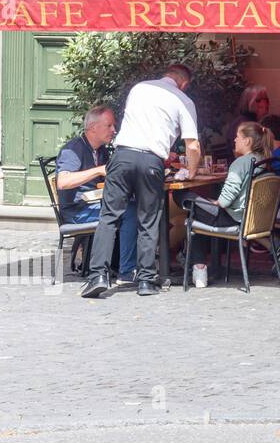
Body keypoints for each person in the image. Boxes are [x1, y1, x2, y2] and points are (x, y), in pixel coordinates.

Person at [81, 64, 201, 298]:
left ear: (165, 75)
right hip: (151, 161)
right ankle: (146, 280)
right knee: (148, 220)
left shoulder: (139, 88)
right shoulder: (183, 100)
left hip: (123, 156)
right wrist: (192, 171)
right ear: (184, 83)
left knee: (109, 217)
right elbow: (193, 145)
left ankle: (98, 276)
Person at [56, 106, 137, 282]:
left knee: (135, 205)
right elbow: (63, 182)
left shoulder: (101, 150)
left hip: (95, 205)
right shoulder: (74, 149)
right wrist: (98, 170)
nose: (114, 130)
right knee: (129, 212)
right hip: (78, 211)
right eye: (109, 126)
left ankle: (125, 266)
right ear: (93, 128)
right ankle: (127, 271)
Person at [186, 121, 278, 272]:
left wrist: (215, 202)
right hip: (252, 217)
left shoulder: (240, 163)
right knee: (197, 207)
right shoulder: (264, 160)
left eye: (237, 136)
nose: (234, 140)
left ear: (247, 141)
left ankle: (198, 266)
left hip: (233, 218)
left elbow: (224, 202)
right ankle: (197, 265)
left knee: (185, 198)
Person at [224, 84, 269, 149]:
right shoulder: (244, 124)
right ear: (249, 102)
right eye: (258, 100)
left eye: (266, 99)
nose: (264, 103)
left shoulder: (260, 122)